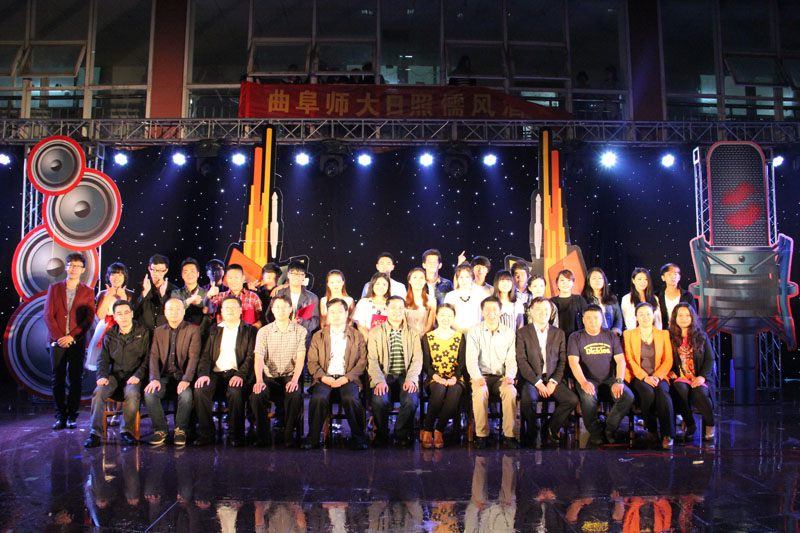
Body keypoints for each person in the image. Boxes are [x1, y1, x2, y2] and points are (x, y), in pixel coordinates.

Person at [84, 300, 150, 448]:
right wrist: (102, 376)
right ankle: (95, 433)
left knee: (132, 392)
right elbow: (102, 359)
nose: (123, 317)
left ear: (132, 314)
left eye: (126, 313)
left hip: (134, 376)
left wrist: (138, 375)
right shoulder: (110, 334)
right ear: (115, 317)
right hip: (114, 376)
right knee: (99, 391)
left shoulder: (143, 332)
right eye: (119, 314)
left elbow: (148, 358)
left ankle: (126, 432)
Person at [305, 298, 369, 450]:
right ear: (327, 314)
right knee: (319, 398)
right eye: (332, 312)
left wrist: (347, 378)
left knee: (350, 398)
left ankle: (358, 438)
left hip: (348, 378)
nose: (336, 315)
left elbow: (362, 362)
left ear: (347, 313)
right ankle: (313, 438)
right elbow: (312, 362)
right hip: (324, 377)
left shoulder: (357, 335)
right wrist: (323, 377)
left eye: (340, 311)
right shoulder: (318, 336)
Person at [194, 296, 257, 447]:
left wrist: (240, 375)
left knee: (235, 391)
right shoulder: (214, 330)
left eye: (233, 307)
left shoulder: (250, 330)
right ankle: (206, 433)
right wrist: (203, 375)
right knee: (200, 390)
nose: (230, 310)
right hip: (215, 373)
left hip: (237, 372)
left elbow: (251, 357)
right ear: (221, 311)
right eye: (226, 307)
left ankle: (236, 434)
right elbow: (205, 356)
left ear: (240, 310)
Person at [568, 304, 634, 445]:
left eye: (596, 318)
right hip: (587, 379)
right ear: (583, 320)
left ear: (602, 319)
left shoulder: (610, 336)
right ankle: (595, 432)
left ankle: (609, 428)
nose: (593, 321)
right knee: (588, 397)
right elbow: (573, 362)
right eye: (589, 318)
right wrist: (583, 382)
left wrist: (619, 381)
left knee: (628, 396)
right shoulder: (575, 337)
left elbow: (620, 360)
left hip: (609, 379)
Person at [45, 252, 96, 430]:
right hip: (57, 341)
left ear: (83, 270)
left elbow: (89, 318)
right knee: (57, 379)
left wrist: (72, 337)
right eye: (71, 265)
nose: (73, 269)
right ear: (66, 267)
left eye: (77, 266)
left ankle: (72, 416)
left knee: (75, 379)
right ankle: (60, 416)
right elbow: (48, 315)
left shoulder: (88, 291)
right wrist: (59, 337)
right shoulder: (55, 288)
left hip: (76, 341)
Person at [516, 297, 578, 445]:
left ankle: (550, 428)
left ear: (551, 312)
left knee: (571, 400)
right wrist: (538, 383)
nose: (542, 313)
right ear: (531, 311)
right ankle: (532, 430)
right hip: (532, 380)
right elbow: (522, 361)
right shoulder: (522, 333)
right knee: (528, 399)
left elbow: (563, 361)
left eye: (546, 309)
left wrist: (553, 381)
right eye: (538, 309)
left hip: (552, 378)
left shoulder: (559, 333)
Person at [143, 298, 202, 447]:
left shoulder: (193, 330)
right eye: (170, 309)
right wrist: (154, 378)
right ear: (165, 312)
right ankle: (161, 429)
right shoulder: (158, 331)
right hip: (164, 375)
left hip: (183, 375)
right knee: (150, 393)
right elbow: (153, 356)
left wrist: (186, 379)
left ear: (183, 311)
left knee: (186, 395)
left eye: (177, 309)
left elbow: (194, 357)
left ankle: (181, 430)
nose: (174, 312)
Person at [250, 295, 307, 447]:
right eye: (277, 307)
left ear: (290, 309)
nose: (281, 310)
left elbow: (301, 358)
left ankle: (288, 436)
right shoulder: (263, 331)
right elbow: (258, 358)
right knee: (257, 395)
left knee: (294, 394)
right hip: (269, 377)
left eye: (284, 307)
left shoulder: (300, 331)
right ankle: (263, 435)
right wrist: (259, 380)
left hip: (290, 375)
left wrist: (294, 380)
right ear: (272, 310)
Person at [367, 296, 422, 446]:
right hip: (384, 376)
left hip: (405, 375)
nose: (397, 311)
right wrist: (379, 381)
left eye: (400, 308)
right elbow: (372, 360)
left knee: (411, 400)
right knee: (379, 400)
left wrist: (411, 379)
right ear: (386, 309)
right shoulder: (375, 332)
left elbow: (417, 359)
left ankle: (401, 433)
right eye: (393, 308)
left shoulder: (413, 332)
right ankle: (382, 434)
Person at [466, 296, 519, 449]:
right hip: (481, 375)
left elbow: (511, 359)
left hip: (501, 377)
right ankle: (481, 435)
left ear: (500, 312)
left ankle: (509, 435)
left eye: (495, 309)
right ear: (482, 312)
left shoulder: (509, 333)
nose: (491, 313)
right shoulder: (474, 331)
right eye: (487, 310)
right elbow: (471, 358)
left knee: (510, 391)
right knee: (480, 391)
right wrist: (477, 377)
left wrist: (510, 376)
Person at [623, 303, 675, 449]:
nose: (645, 317)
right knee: (648, 391)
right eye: (641, 314)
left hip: (659, 375)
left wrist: (657, 377)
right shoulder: (628, 334)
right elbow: (629, 359)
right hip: (638, 376)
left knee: (663, 393)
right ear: (636, 317)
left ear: (653, 316)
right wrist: (645, 377)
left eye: (648, 314)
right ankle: (652, 429)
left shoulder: (663, 334)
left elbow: (668, 360)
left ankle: (668, 435)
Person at [668, 303, 716, 442]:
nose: (684, 318)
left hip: (699, 376)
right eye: (680, 315)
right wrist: (669, 371)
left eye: (687, 315)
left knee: (699, 392)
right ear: (675, 318)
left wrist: (702, 377)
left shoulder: (701, 336)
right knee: (680, 390)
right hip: (681, 376)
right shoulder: (669, 336)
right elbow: (664, 357)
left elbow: (710, 359)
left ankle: (710, 425)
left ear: (692, 318)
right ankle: (690, 424)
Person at [420, 304, 465, 449]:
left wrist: (454, 378)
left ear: (454, 318)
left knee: (454, 391)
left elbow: (462, 362)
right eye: (442, 315)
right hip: (434, 377)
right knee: (439, 390)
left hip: (455, 378)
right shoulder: (428, 337)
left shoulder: (459, 337)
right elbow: (426, 363)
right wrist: (436, 377)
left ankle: (439, 429)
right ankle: (428, 429)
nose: (446, 319)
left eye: (449, 316)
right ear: (437, 317)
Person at [273, 260, 320, 338]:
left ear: (304, 277)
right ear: (288, 275)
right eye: (293, 274)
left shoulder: (312, 298)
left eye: (300, 274)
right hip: (282, 336)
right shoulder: (280, 295)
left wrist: (302, 322)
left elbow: (315, 322)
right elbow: (271, 316)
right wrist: (288, 323)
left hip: (303, 337)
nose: (297, 277)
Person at [134, 254, 178, 331]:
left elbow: (174, 314)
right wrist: (144, 293)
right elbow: (133, 311)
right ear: (149, 268)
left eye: (160, 270)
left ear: (166, 270)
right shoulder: (141, 286)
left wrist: (163, 296)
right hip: (143, 333)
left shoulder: (173, 289)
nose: (157, 274)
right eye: (153, 270)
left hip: (164, 332)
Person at [443, 263, 487, 333]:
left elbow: (485, 316)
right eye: (461, 277)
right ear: (457, 279)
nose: (464, 280)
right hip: (455, 333)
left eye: (467, 277)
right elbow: (445, 316)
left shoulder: (480, 294)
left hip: (476, 333)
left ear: (472, 278)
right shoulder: (450, 296)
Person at [581, 267, 623, 335]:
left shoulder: (612, 298)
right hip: (591, 336)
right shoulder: (583, 300)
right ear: (588, 281)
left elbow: (618, 318)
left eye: (600, 278)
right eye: (594, 278)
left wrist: (614, 333)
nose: (597, 281)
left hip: (611, 336)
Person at [170, 257, 208, 327]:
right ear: (182, 275)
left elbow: (209, 312)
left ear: (198, 274)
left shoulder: (206, 293)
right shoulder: (176, 293)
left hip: (201, 330)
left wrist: (201, 303)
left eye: (192, 271)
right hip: (180, 330)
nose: (189, 275)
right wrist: (189, 301)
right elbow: (174, 309)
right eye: (186, 272)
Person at [657, 263, 694, 330]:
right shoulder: (657, 296)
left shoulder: (687, 296)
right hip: (662, 331)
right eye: (669, 274)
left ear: (679, 277)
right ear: (663, 277)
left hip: (682, 331)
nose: (673, 277)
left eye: (675, 274)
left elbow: (693, 317)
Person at [551, 269, 587, 338]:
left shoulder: (579, 300)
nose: (565, 283)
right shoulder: (552, 302)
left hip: (577, 338)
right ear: (557, 283)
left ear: (573, 283)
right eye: (562, 280)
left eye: (569, 280)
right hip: (557, 338)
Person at [353, 272, 391, 338]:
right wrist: (370, 340)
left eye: (384, 285)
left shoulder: (391, 303)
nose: (380, 287)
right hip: (367, 340)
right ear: (372, 285)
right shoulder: (363, 303)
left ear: (388, 287)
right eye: (377, 284)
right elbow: (361, 326)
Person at [405, 267, 436, 336]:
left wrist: (423, 337)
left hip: (425, 337)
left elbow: (431, 323)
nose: (418, 280)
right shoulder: (403, 300)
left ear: (425, 281)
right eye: (415, 277)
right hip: (408, 336)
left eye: (421, 278)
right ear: (409, 280)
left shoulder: (431, 300)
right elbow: (403, 322)